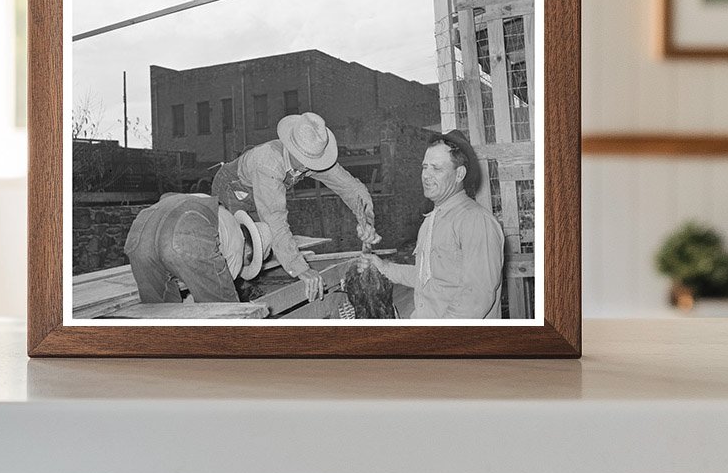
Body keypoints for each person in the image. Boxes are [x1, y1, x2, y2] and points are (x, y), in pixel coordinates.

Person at [212, 112, 381, 303]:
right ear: (293, 149)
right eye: (308, 161)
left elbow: (351, 187)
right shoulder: (268, 163)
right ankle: (233, 300)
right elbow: (275, 219)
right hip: (233, 188)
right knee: (240, 249)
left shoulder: (314, 154)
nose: (314, 166)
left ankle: (249, 289)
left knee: (264, 246)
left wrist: (366, 220)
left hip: (262, 186)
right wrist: (300, 268)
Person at [363, 130, 504, 319]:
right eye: (424, 167)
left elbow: (477, 296)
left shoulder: (475, 221)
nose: (426, 176)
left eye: (436, 169)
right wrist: (384, 268)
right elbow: (429, 278)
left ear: (459, 174)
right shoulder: (432, 219)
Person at [124, 192, 272, 304]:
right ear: (248, 251)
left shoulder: (222, 215)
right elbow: (218, 293)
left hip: (139, 231)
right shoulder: (238, 243)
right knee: (226, 312)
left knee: (160, 310)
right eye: (247, 262)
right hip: (184, 230)